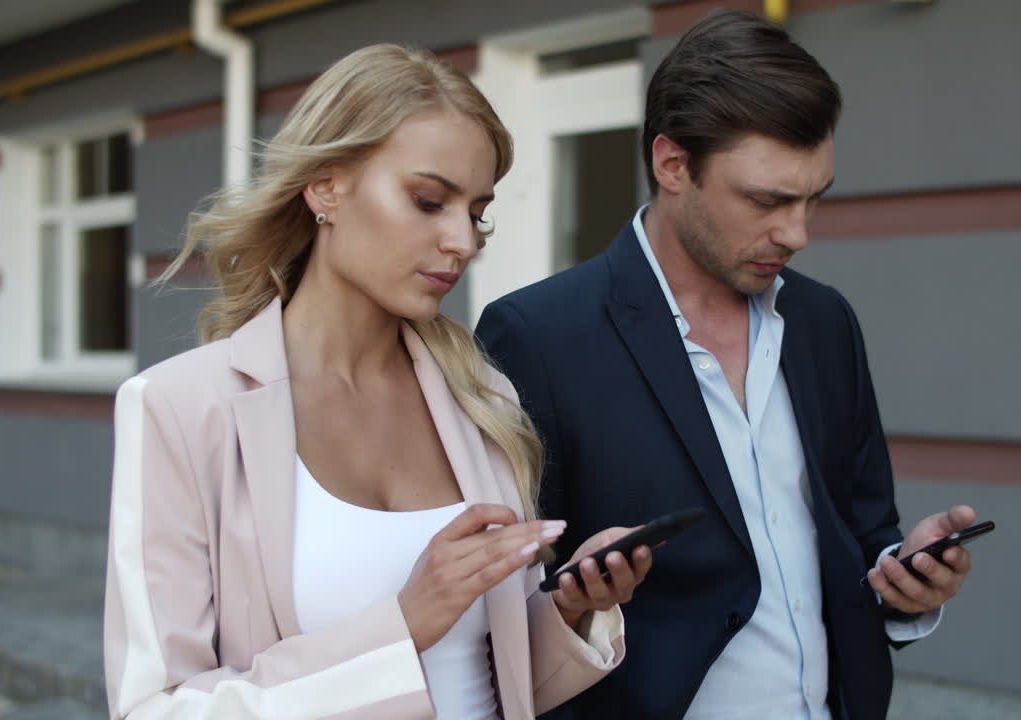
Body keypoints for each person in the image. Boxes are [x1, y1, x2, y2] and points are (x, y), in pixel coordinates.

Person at [102, 43, 653, 720]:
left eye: (476, 212)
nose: (463, 241)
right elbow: (153, 710)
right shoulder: (181, 409)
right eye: (429, 201)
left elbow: (487, 681)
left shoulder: (480, 397)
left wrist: (571, 610)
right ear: (325, 186)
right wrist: (402, 626)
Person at [475, 11, 975, 720]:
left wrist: (906, 575)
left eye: (813, 199)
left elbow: (863, 529)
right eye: (768, 200)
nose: (797, 233)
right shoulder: (538, 336)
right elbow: (505, 609)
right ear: (672, 164)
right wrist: (573, 598)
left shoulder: (824, 323)